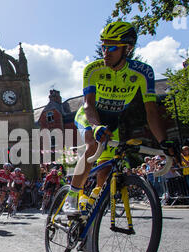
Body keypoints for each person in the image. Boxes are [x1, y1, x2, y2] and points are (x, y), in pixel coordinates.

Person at [63, 21, 174, 215]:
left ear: (128, 49)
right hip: (90, 117)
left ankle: (94, 200)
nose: (105, 52)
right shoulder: (93, 69)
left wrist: (164, 142)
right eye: (104, 46)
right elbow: (88, 105)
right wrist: (96, 127)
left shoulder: (143, 73)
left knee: (106, 169)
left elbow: (151, 112)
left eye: (112, 47)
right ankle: (71, 197)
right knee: (91, 145)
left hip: (111, 123)